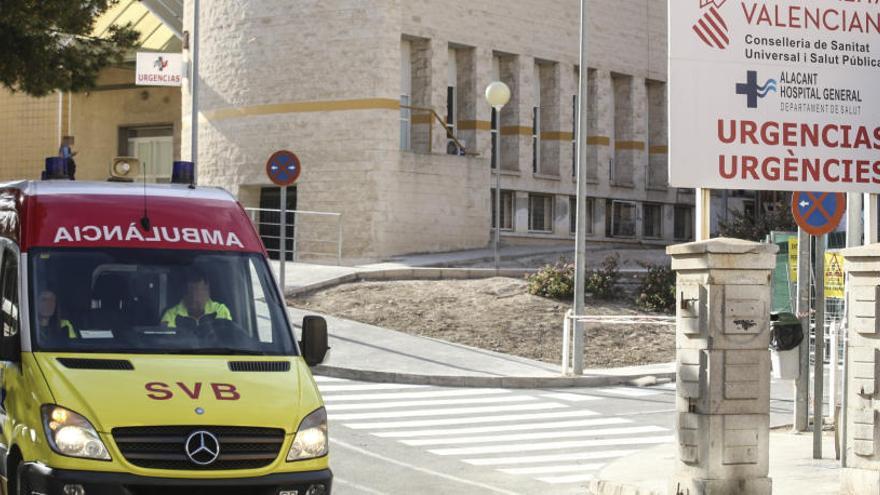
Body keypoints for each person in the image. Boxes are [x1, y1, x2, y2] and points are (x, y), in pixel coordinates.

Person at [161, 269, 232, 329]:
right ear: (184, 293)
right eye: (190, 292)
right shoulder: (170, 315)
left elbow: (228, 339)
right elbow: (166, 342)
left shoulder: (221, 311)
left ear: (207, 291)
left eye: (199, 291)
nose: (195, 298)